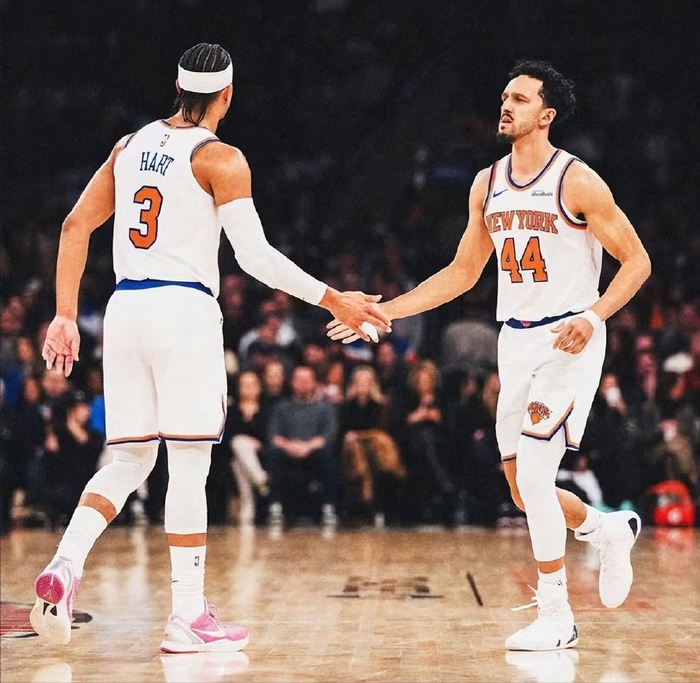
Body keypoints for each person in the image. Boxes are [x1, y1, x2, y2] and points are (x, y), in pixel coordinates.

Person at [32, 42, 391, 652]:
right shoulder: (221, 158)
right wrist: (333, 298)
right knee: (189, 465)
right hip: (183, 311)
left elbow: (73, 226)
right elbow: (254, 258)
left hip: (124, 310)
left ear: (177, 89)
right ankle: (187, 617)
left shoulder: (128, 146)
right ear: (227, 94)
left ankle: (66, 564)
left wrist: (65, 315)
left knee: (130, 461)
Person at [329, 60, 651, 651]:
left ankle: (557, 616)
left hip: (569, 336)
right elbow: (462, 271)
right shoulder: (487, 182)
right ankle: (605, 528)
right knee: (522, 491)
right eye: (505, 96)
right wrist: (387, 310)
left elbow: (637, 262)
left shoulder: (577, 180)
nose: (506, 105)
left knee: (536, 474)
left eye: (520, 99)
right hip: (516, 338)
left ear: (546, 115)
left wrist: (593, 316)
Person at [266, 365, 339, 526]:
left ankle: (328, 507)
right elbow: (274, 436)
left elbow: (329, 434)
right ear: (292, 382)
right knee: (274, 454)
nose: (303, 384)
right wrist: (290, 446)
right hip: (287, 451)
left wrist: (307, 446)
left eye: (307, 380)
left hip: (314, 452)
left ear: (314, 383)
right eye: (299, 380)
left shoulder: (325, 408)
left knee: (327, 454)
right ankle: (276, 507)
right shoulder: (281, 407)